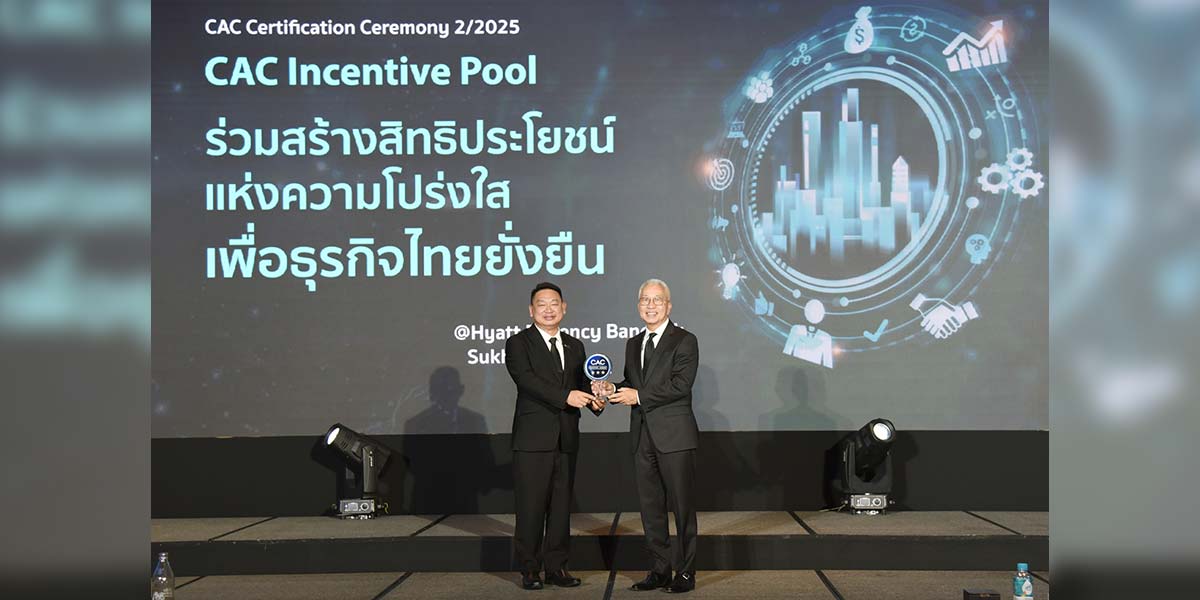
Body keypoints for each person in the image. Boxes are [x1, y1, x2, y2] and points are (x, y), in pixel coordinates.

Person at [594, 278, 700, 593]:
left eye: (657, 300)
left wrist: (638, 396)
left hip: (675, 437)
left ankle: (686, 573)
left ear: (669, 305)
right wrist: (611, 388)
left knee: (682, 509)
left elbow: (681, 385)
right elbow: (632, 383)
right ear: (638, 305)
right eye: (645, 300)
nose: (650, 305)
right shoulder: (633, 343)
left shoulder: (685, 340)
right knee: (650, 509)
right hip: (642, 436)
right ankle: (659, 570)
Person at [504, 282, 604, 590]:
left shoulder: (575, 345)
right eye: (542, 304)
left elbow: (582, 385)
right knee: (531, 507)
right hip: (533, 440)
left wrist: (596, 400)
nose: (549, 309)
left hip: (566, 437)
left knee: (561, 509)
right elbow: (527, 381)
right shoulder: (518, 343)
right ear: (531, 310)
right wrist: (566, 397)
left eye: (554, 303)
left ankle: (557, 567)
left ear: (564, 308)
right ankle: (530, 569)